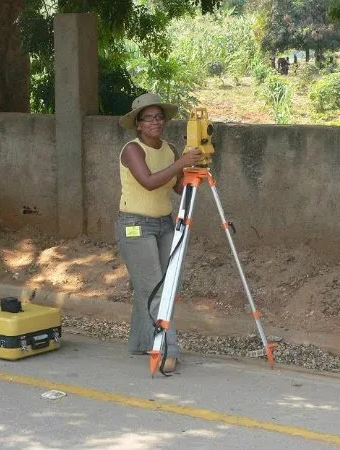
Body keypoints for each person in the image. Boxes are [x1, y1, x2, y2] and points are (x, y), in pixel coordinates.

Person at [116, 93, 202, 373]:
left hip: (164, 223)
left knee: (160, 285)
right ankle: (167, 350)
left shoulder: (170, 149)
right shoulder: (132, 149)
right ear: (138, 124)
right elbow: (150, 182)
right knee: (155, 287)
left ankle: (142, 342)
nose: (155, 122)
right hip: (135, 225)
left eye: (159, 117)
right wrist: (181, 163)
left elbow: (175, 187)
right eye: (148, 118)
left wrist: (193, 170)